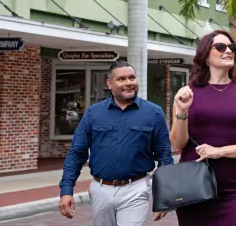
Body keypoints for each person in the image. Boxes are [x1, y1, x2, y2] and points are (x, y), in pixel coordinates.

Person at [58, 60, 173, 225]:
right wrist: (66, 190)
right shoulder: (93, 113)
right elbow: (76, 153)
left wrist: (164, 196)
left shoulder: (154, 113)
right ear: (109, 83)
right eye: (121, 79)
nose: (128, 83)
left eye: (132, 78)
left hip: (136, 188)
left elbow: (164, 156)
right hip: (101, 189)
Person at [169, 30, 236, 226]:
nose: (228, 51)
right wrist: (182, 112)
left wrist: (219, 152)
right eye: (221, 47)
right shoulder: (186, 94)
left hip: (233, 189)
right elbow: (178, 144)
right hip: (192, 186)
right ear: (205, 57)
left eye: (233, 48)